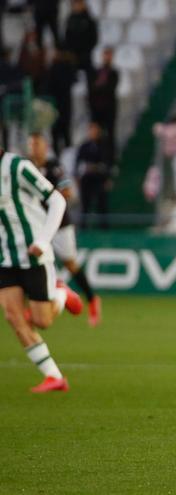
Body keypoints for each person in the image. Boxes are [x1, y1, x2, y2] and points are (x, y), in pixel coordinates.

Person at [0, 148, 83, 393]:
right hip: (5, 257)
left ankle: (62, 294)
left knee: (41, 321)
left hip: (34, 254)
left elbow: (57, 199)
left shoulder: (16, 166)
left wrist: (45, 240)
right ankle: (54, 376)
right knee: (13, 316)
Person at [28, 133, 102, 326]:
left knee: (70, 263)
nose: (34, 147)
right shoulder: (26, 167)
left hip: (59, 223)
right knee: (31, 260)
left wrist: (46, 196)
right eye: (32, 144)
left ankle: (92, 299)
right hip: (37, 225)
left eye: (37, 143)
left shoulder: (54, 167)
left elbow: (67, 192)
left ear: (46, 146)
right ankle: (38, 303)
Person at [75, 122, 115, 229]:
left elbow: (108, 164)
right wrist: (77, 178)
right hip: (86, 181)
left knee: (102, 206)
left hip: (100, 180)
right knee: (85, 206)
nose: (93, 133)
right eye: (91, 130)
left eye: (95, 130)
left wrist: (107, 178)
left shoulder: (104, 146)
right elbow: (78, 164)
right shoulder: (84, 147)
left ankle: (104, 230)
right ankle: (83, 228)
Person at [88, 47, 119, 157]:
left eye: (109, 55)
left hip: (109, 108)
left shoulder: (114, 73)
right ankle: (97, 157)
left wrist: (99, 87)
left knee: (110, 134)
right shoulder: (96, 72)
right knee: (96, 134)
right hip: (96, 108)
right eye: (106, 54)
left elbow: (110, 89)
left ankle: (111, 159)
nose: (107, 57)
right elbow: (91, 88)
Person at [63, 0, 97, 72]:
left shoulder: (89, 20)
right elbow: (67, 36)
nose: (76, 6)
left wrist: (86, 51)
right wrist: (69, 50)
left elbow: (94, 38)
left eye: (78, 4)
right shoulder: (70, 19)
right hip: (72, 56)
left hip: (85, 55)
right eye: (75, 4)